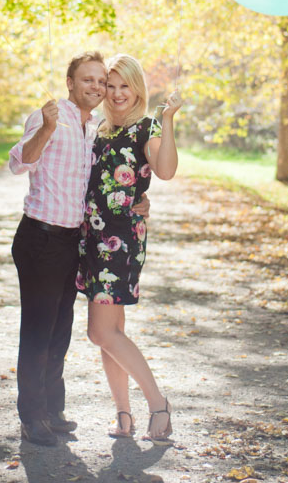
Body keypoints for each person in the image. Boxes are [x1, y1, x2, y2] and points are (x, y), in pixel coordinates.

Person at [9, 51, 149, 447]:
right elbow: (20, 163)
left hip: (74, 241)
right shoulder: (49, 117)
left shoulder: (95, 130)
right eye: (87, 79)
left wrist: (142, 200)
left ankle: (53, 411)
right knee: (38, 331)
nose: (96, 86)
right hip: (41, 238)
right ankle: (32, 417)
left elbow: (106, 185)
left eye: (101, 81)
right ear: (70, 82)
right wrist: (46, 128)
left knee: (60, 332)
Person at [77, 54, 182, 445]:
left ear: (138, 88)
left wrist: (168, 121)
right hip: (91, 240)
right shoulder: (99, 130)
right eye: (112, 85)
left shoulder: (146, 127)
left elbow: (166, 170)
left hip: (119, 242)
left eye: (126, 85)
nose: (118, 93)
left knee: (99, 331)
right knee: (111, 332)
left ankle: (158, 404)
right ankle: (123, 414)